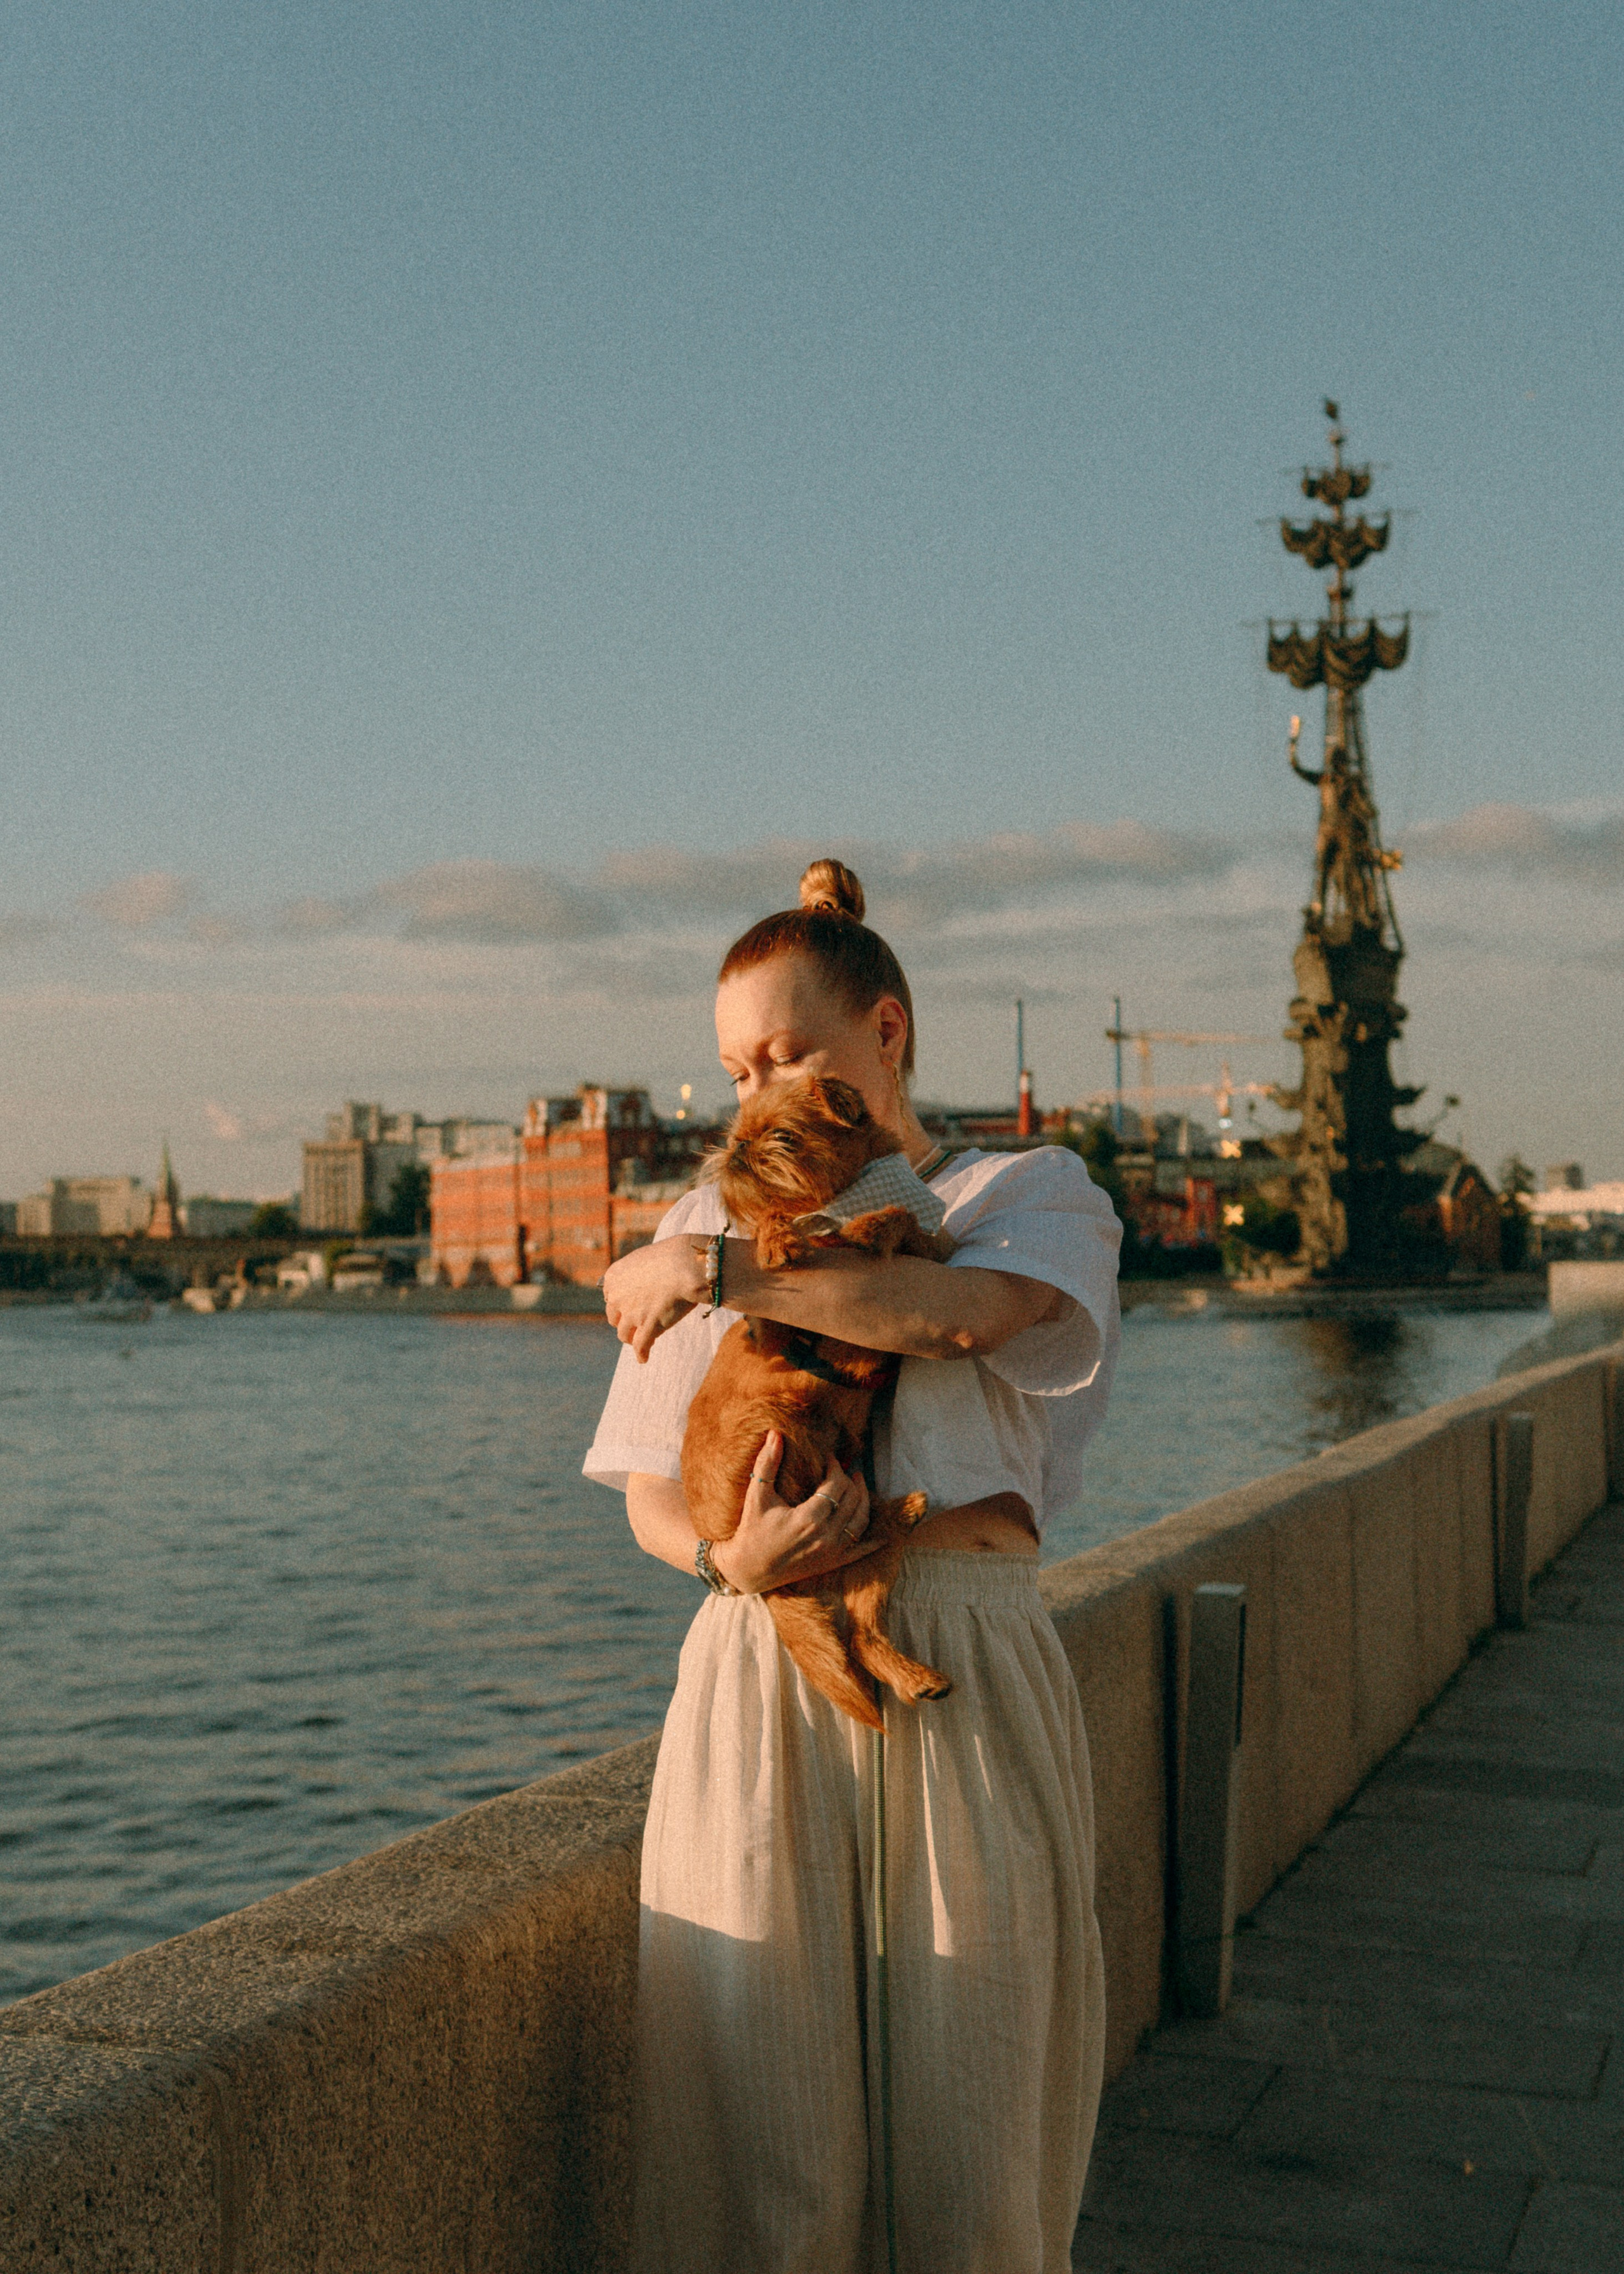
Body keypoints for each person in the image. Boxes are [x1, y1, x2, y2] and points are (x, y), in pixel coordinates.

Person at [584, 858, 1121, 2274]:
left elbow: (949, 1317)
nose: (752, 1091)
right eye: (730, 1067)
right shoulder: (698, 1220)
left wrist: (720, 1282)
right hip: (759, 1649)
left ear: (883, 1030)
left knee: (978, 2145)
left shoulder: (1022, 1189)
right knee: (765, 2148)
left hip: (958, 1651)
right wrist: (726, 1555)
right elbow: (646, 1490)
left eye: (783, 1053)